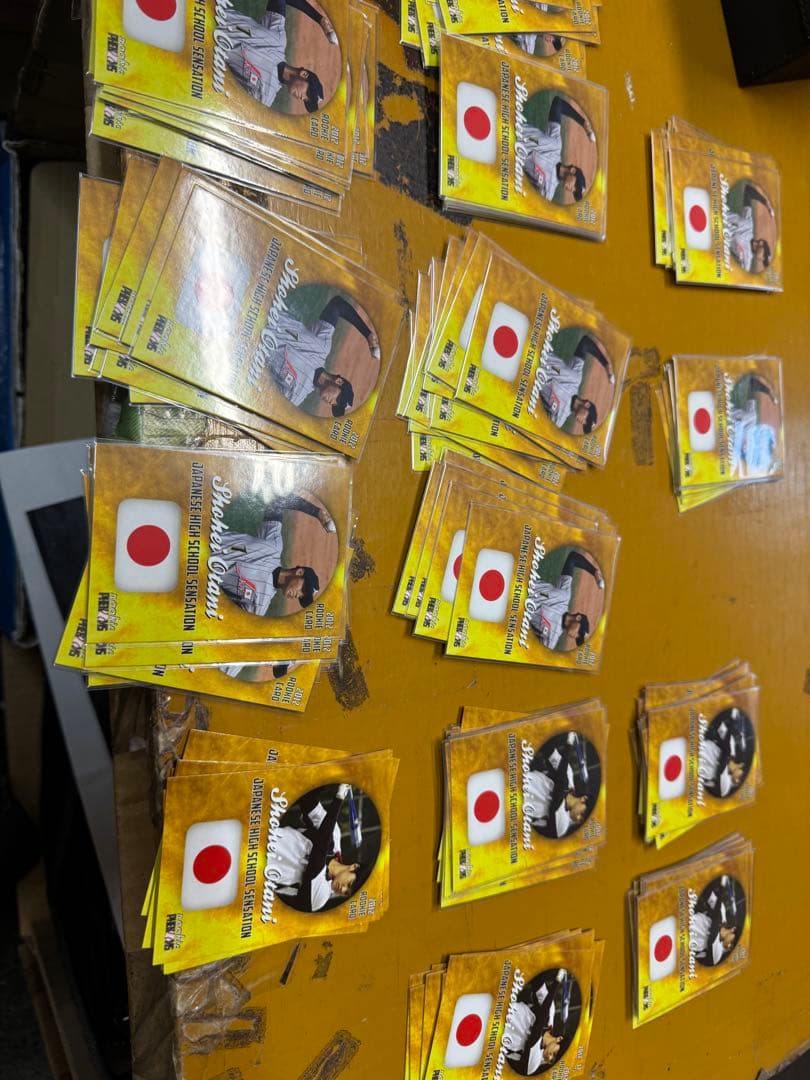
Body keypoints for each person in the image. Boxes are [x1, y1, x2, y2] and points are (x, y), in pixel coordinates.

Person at [218, 493, 335, 616]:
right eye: (303, 589)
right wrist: (318, 513)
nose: (299, 595)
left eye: (302, 597)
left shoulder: (260, 606)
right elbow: (278, 500)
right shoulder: (273, 545)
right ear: (299, 572)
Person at [267, 294, 380, 416]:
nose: (332, 403)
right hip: (267, 311)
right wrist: (368, 334)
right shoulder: (322, 346)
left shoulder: (296, 397)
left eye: (334, 405)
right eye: (338, 399)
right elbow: (337, 305)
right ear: (339, 381)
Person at [222, 0, 338, 112]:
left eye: (305, 101)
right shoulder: (278, 40)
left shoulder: (265, 97)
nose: (303, 98)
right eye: (308, 94)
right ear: (304, 74)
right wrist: (320, 20)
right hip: (215, 10)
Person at [271, 785, 361, 911]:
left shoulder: (320, 897)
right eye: (349, 884)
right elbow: (309, 802)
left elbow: (319, 852)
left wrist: (339, 798)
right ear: (354, 867)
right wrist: (331, 780)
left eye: (346, 893)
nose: (343, 889)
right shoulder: (335, 834)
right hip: (263, 837)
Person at [521, 94, 595, 202]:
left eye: (574, 192)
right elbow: (558, 104)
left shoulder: (548, 192)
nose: (572, 190)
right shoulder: (556, 146)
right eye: (576, 186)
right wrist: (583, 123)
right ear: (573, 170)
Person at [528, 549, 604, 651]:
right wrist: (594, 572)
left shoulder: (551, 640)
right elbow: (572, 558)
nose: (576, 636)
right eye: (579, 633)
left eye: (577, 638)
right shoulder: (565, 596)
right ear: (578, 618)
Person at [503, 968, 573, 1075]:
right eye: (555, 1053)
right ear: (559, 1039)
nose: (549, 1058)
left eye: (552, 1061)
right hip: (498, 1007)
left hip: (488, 1035)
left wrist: (556, 983)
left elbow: (537, 1031)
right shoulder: (550, 1011)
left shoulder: (534, 1064)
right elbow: (538, 980)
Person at [539, 334, 614, 433]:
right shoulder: (576, 378)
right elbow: (585, 343)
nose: (583, 422)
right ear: (587, 404)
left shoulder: (559, 420)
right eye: (586, 420)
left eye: (584, 425)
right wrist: (606, 364)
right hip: (538, 349)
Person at [524, 732, 593, 837]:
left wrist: (568, 746)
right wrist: (561, 733)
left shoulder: (562, 826)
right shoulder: (568, 773)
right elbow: (548, 749)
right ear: (584, 798)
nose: (578, 819)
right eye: (582, 813)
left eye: (581, 821)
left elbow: (559, 792)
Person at [730, 375, 778, 478]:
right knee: (750, 416)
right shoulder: (751, 421)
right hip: (734, 421)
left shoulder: (734, 461)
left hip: (733, 424)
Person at [699, 709, 750, 798]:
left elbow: (721, 767)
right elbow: (720, 733)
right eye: (741, 777)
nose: (738, 780)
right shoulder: (731, 752)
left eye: (739, 780)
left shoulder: (726, 786)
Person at [691, 875, 740, 966]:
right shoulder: (722, 911)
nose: (730, 946)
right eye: (733, 942)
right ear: (733, 929)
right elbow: (708, 894)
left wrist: (717, 913)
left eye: (731, 947)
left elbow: (712, 938)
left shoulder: (717, 955)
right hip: (684, 919)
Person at [727, 182, 774, 273]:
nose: (761, 259)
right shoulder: (749, 224)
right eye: (764, 256)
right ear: (762, 243)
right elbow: (748, 191)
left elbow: (739, 277)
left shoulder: (747, 260)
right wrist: (765, 202)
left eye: (763, 260)